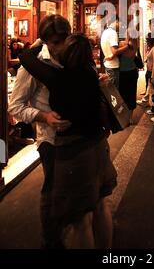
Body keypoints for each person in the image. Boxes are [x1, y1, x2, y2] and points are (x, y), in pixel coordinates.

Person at [19, 33, 117, 249]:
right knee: (101, 205)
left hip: (74, 152)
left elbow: (25, 57)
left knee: (81, 220)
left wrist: (40, 42)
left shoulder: (58, 78)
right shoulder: (92, 74)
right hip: (99, 145)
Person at [8, 15, 72, 248]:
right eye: (55, 42)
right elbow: (15, 106)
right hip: (49, 139)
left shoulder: (69, 56)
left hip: (71, 138)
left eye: (63, 40)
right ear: (46, 41)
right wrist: (45, 117)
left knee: (66, 188)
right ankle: (51, 240)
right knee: (52, 190)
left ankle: (63, 228)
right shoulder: (32, 65)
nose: (59, 47)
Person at [100, 17, 129, 88]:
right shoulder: (113, 33)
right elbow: (114, 51)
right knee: (114, 91)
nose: (120, 26)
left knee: (110, 90)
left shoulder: (105, 32)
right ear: (116, 22)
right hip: (113, 66)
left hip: (108, 64)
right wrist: (127, 47)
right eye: (120, 23)